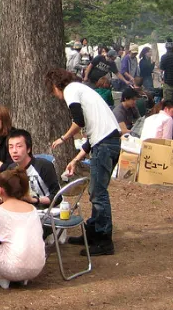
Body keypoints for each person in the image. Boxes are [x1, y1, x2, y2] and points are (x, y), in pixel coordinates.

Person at [48, 68, 121, 256]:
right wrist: (75, 160)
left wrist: (63, 138)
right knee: (95, 191)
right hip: (107, 143)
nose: (57, 97)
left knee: (98, 193)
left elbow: (78, 120)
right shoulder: (84, 92)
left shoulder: (71, 89)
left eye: (53, 91)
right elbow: (92, 137)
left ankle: (104, 241)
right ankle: (93, 233)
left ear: (56, 86)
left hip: (105, 145)